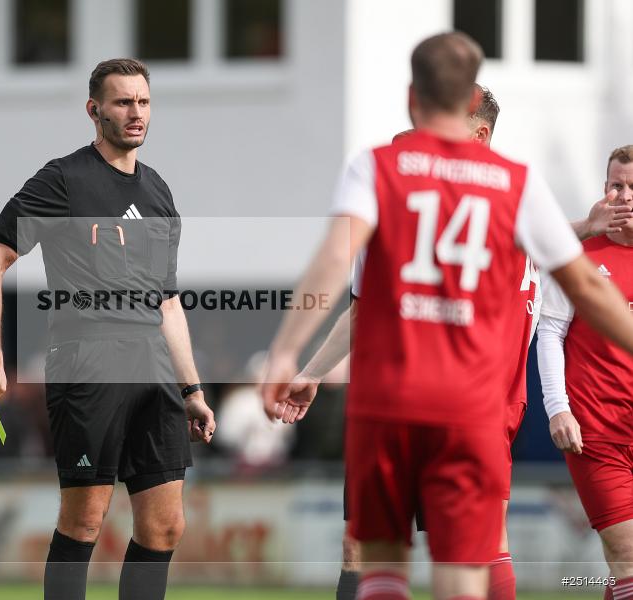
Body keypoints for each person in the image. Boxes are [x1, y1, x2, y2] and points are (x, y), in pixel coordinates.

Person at [260, 32, 633, 600]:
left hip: (391, 399)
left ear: (414, 97)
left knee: (381, 562)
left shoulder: (378, 169)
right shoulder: (516, 184)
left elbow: (336, 258)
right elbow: (585, 284)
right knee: (465, 566)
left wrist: (288, 353)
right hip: (472, 406)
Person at [0, 58, 215, 600]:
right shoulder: (62, 180)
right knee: (85, 521)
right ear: (94, 110)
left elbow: (167, 303)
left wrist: (192, 389)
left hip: (154, 368)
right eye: (123, 102)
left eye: (144, 102)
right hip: (88, 364)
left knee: (165, 526)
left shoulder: (159, 194)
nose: (136, 113)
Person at [537, 145, 633, 600]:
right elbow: (550, 332)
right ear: (604, 191)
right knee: (626, 555)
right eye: (617, 185)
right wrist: (558, 408)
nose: (625, 195)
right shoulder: (575, 258)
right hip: (596, 432)